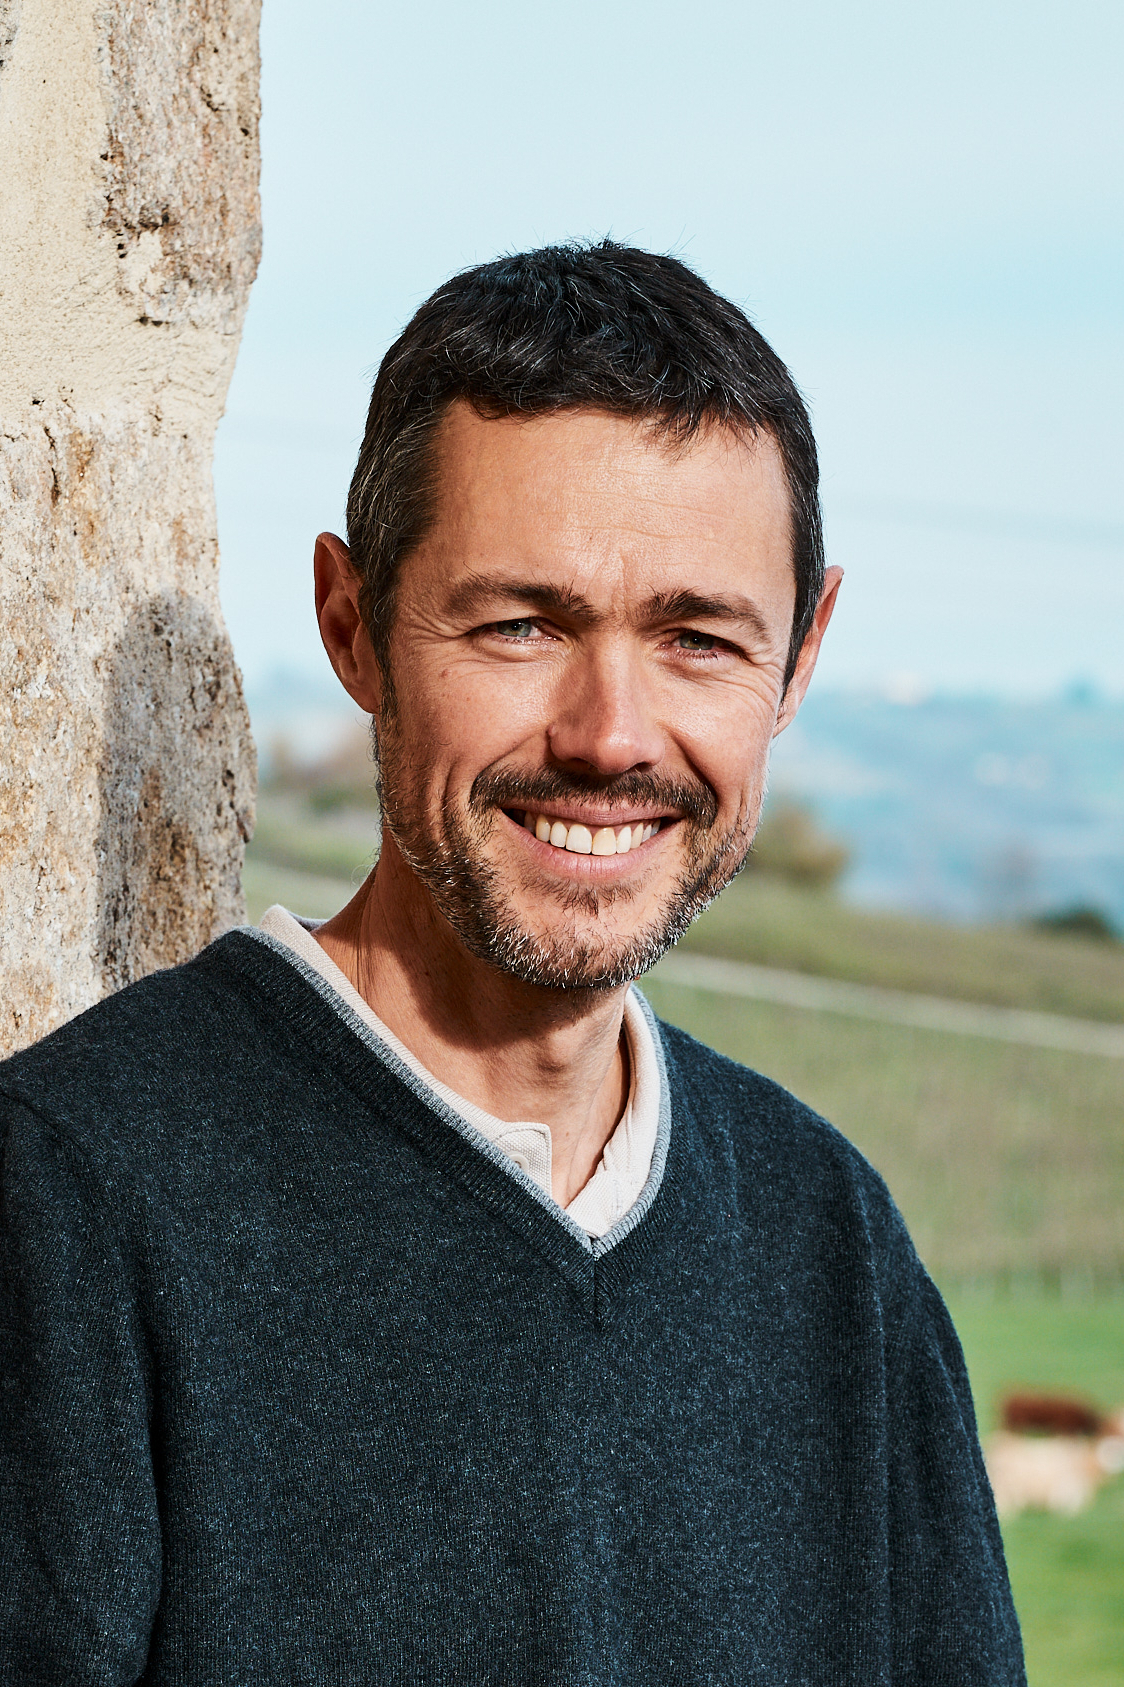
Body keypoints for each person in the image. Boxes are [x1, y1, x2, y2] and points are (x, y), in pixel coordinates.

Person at [0, 241, 1024, 1684]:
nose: (610, 736)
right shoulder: (71, 1200)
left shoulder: (834, 1249)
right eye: (522, 625)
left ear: (799, 660)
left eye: (698, 639)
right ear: (354, 627)